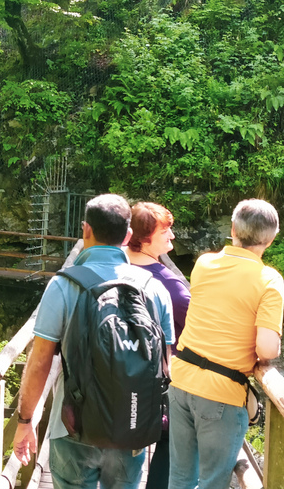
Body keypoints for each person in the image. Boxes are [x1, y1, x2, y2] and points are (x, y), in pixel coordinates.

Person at [13, 194, 174, 489]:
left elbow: (39, 362)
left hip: (74, 425)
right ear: (128, 236)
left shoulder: (63, 285)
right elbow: (165, 364)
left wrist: (25, 422)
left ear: (85, 230)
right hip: (133, 425)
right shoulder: (155, 289)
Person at [168, 199, 284, 489]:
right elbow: (267, 349)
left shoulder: (205, 263)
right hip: (221, 393)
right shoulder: (268, 280)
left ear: (232, 229)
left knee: (180, 478)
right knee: (212, 483)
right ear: (270, 239)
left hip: (181, 380)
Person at [123, 202, 191, 489]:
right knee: (172, 440)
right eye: (166, 230)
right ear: (145, 237)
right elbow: (196, 326)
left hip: (112, 376)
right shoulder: (168, 284)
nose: (172, 236)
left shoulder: (113, 265)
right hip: (155, 384)